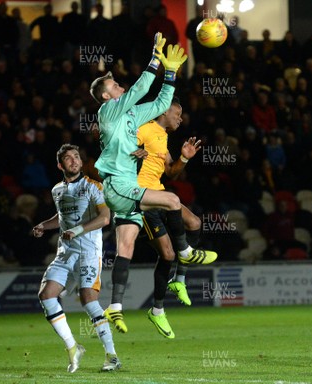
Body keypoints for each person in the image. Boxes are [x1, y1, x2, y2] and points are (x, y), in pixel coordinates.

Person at [89, 33, 216, 334]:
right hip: (120, 184)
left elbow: (161, 101)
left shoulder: (132, 115)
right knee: (172, 201)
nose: (120, 87)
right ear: (107, 96)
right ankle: (185, 255)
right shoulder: (108, 111)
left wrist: (170, 75)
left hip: (126, 185)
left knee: (127, 247)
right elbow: (140, 88)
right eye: (115, 86)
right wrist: (157, 60)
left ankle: (115, 306)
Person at [33, 144, 119, 372]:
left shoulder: (94, 187)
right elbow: (61, 217)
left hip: (88, 252)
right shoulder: (56, 190)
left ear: (81, 162)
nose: (74, 161)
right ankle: (73, 347)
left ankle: (112, 356)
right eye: (68, 158)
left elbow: (105, 218)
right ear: (60, 165)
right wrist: (44, 225)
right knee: (46, 295)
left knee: (88, 299)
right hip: (65, 252)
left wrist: (78, 230)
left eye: (77, 157)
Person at [135, 97, 204, 338]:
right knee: (167, 254)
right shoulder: (143, 128)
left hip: (160, 193)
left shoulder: (162, 136)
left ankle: (180, 279)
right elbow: (121, 150)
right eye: (178, 112)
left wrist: (184, 158)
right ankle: (157, 309)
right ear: (164, 111)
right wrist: (133, 152)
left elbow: (170, 172)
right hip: (141, 198)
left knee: (195, 222)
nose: (180, 118)